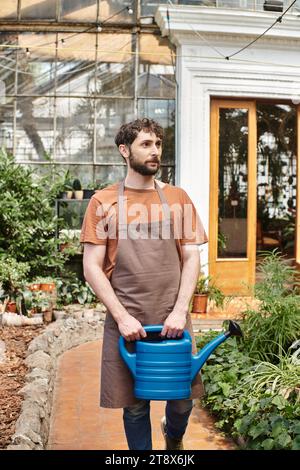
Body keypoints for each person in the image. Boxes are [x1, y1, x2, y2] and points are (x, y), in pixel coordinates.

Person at [80, 118, 208, 451]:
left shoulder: (177, 198)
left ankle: (173, 437)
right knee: (135, 407)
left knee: (181, 401)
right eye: (145, 145)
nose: (155, 152)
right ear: (125, 151)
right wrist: (122, 317)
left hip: (173, 319)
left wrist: (180, 311)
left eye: (158, 144)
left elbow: (191, 258)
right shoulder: (103, 201)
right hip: (129, 321)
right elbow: (92, 267)